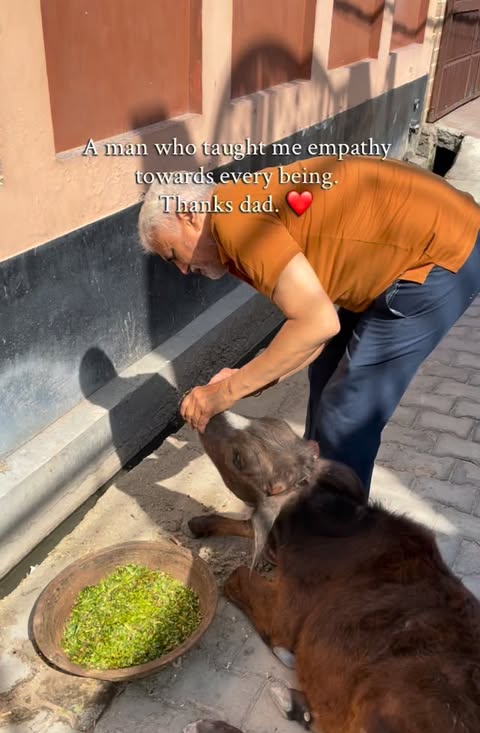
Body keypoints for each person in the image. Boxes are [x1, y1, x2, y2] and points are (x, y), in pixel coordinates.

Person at [138, 155, 480, 494]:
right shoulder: (240, 207)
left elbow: (316, 323)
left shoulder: (233, 220)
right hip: (427, 242)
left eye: (173, 255)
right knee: (325, 371)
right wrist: (250, 378)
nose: (182, 270)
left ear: (189, 215)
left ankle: (335, 523)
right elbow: (313, 335)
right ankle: (313, 495)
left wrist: (225, 393)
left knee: (346, 414)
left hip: (442, 252)